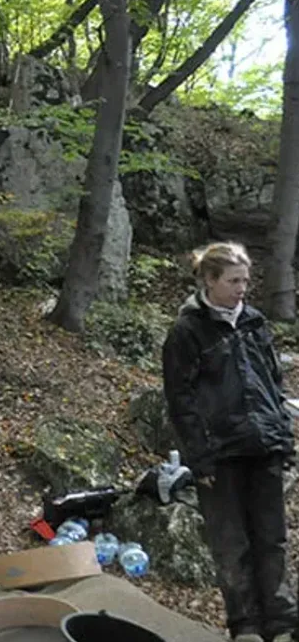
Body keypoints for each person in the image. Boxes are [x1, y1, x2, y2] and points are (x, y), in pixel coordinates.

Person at [162, 242, 296, 642]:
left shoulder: (255, 322)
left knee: (272, 540)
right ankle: (246, 625)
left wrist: (282, 436)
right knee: (231, 544)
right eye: (234, 281)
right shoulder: (187, 332)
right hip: (220, 453)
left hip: (264, 445)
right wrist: (199, 458)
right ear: (209, 280)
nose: (242, 289)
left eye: (246, 281)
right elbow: (180, 401)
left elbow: (273, 384)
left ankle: (283, 623)